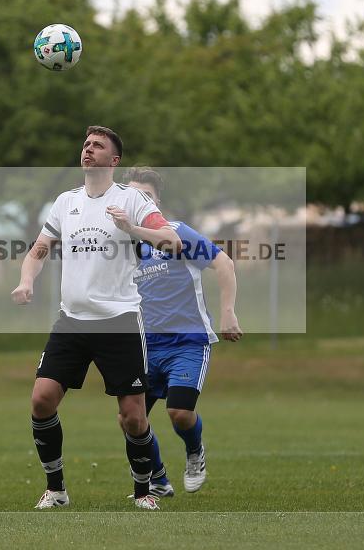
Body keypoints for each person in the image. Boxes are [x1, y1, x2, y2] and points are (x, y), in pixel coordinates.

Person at [11, 126, 181, 511]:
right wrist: (25, 281)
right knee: (41, 400)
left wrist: (131, 228)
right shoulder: (65, 202)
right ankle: (56, 490)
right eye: (86, 144)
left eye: (98, 146)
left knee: (133, 418)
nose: (88, 150)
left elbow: (173, 241)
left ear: (114, 161)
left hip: (119, 320)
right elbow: (38, 250)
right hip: (71, 321)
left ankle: (142, 492)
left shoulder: (132, 199)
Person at [124, 166, 242, 497]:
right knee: (129, 419)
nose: (140, 202)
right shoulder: (126, 246)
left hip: (187, 341)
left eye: (145, 196)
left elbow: (224, 263)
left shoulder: (177, 233)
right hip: (144, 346)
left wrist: (228, 313)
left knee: (179, 411)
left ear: (157, 201)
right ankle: (158, 478)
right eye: (133, 196)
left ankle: (194, 452)